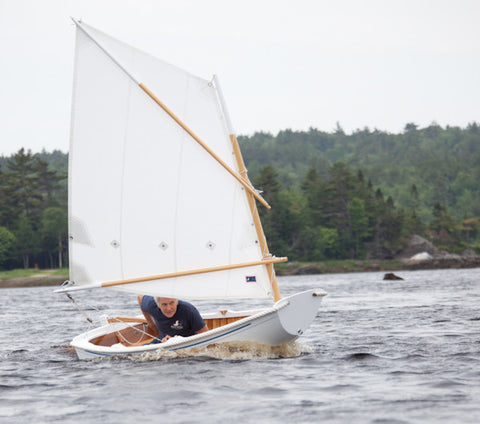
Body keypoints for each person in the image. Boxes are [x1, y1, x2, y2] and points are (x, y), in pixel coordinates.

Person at [138, 295, 208, 343]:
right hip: (161, 341)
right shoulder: (152, 304)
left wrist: (175, 340)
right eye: (164, 304)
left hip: (188, 342)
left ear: (176, 301)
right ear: (158, 305)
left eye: (171, 303)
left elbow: (205, 336)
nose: (169, 308)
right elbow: (140, 297)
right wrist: (151, 324)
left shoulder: (189, 310)